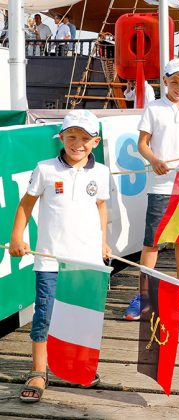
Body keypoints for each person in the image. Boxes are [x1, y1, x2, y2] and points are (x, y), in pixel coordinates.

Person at [9, 110, 111, 403]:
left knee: (83, 315)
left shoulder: (101, 172)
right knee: (45, 315)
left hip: (87, 260)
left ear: (96, 142)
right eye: (71, 137)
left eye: (85, 138)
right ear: (61, 138)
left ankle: (78, 366)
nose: (77, 143)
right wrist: (18, 237)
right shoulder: (45, 169)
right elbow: (26, 205)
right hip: (50, 260)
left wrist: (103, 242)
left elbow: (101, 207)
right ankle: (39, 371)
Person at [122, 58, 179, 320]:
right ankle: (145, 293)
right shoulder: (154, 109)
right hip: (161, 183)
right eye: (175, 81)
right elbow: (143, 144)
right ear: (165, 81)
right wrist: (155, 160)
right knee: (153, 241)